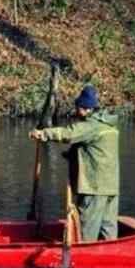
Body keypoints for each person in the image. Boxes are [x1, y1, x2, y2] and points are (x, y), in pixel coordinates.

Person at [28, 84, 120, 241]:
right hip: (111, 187)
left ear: (88, 109)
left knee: (86, 231)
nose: (76, 111)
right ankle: (109, 256)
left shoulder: (91, 126)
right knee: (108, 228)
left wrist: (43, 133)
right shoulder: (109, 126)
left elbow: (68, 134)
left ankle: (84, 258)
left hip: (94, 187)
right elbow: (94, 151)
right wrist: (71, 155)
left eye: (79, 108)